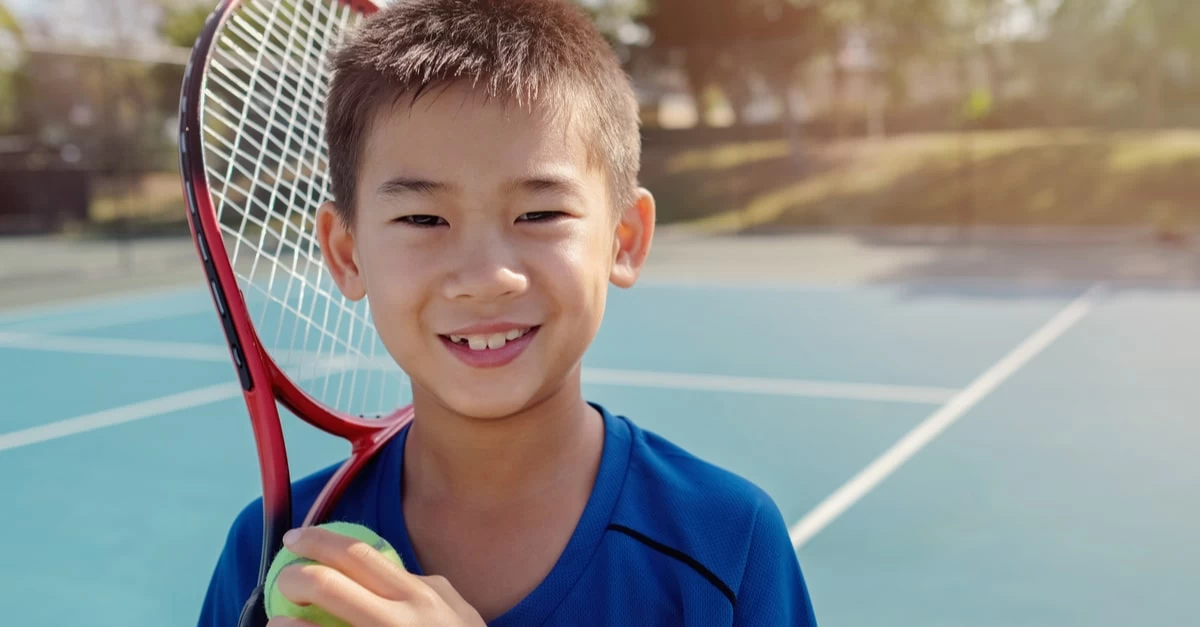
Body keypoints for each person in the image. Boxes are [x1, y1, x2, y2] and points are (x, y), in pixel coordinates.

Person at [198, 1, 818, 625]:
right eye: (422, 219)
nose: (486, 278)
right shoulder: (272, 554)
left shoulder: (727, 543)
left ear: (624, 239)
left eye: (540, 215)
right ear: (346, 252)